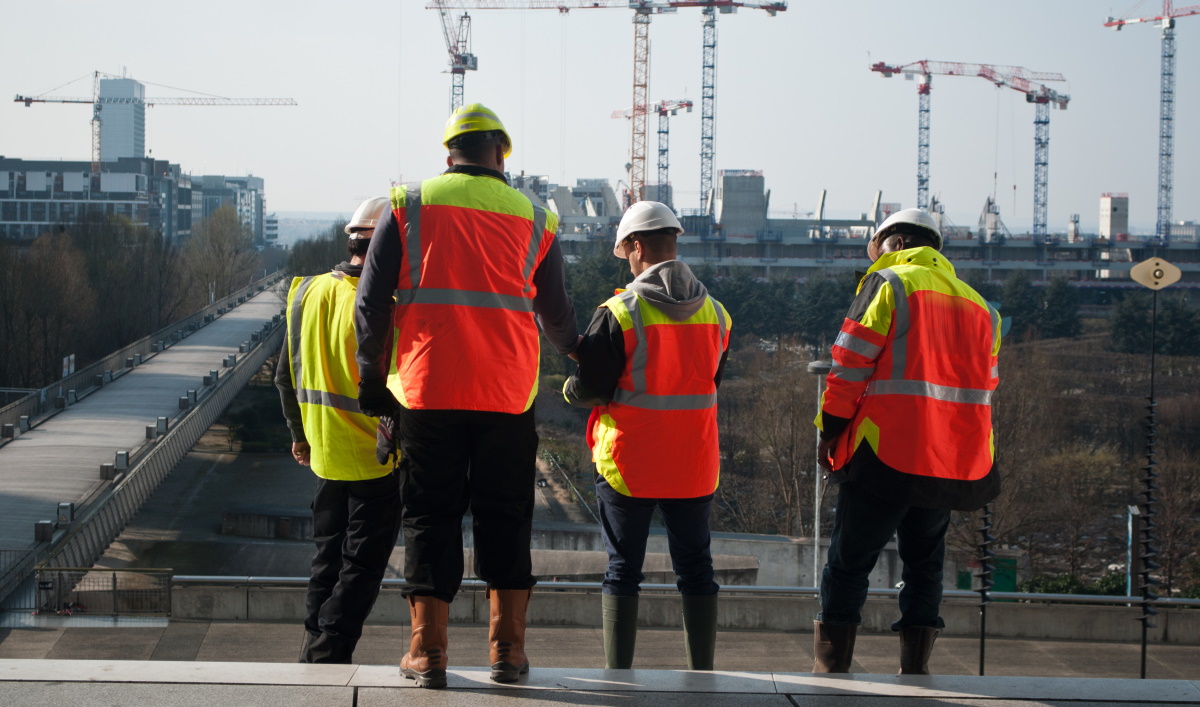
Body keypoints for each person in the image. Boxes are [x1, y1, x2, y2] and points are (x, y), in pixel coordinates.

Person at [354, 103, 579, 688]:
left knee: (430, 516)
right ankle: (509, 653)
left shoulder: (409, 204)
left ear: (448, 154)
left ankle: (428, 655)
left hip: (428, 391)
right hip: (506, 394)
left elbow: (372, 305)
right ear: (502, 154)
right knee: (506, 517)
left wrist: (371, 380)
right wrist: (586, 355)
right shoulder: (535, 216)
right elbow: (556, 317)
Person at [812, 208, 1002, 675]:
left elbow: (848, 367)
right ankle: (916, 671)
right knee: (925, 565)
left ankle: (831, 670)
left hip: (885, 453)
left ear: (892, 243)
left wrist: (828, 432)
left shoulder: (889, 285)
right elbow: (985, 385)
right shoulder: (982, 307)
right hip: (946, 460)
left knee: (849, 562)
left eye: (873, 249)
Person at [563, 201, 731, 671]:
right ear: (673, 242)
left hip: (629, 464)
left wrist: (568, 387)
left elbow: (592, 388)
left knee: (623, 571)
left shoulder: (620, 311)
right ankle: (703, 675)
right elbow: (709, 384)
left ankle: (619, 677)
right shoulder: (717, 314)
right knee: (697, 569)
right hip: (693, 465)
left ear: (636, 246)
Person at [275, 197, 401, 664]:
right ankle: (327, 654)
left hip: (324, 458)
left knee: (326, 563)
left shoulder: (304, 292)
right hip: (376, 462)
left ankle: (313, 647)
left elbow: (285, 375)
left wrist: (300, 435)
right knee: (361, 570)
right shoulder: (385, 306)